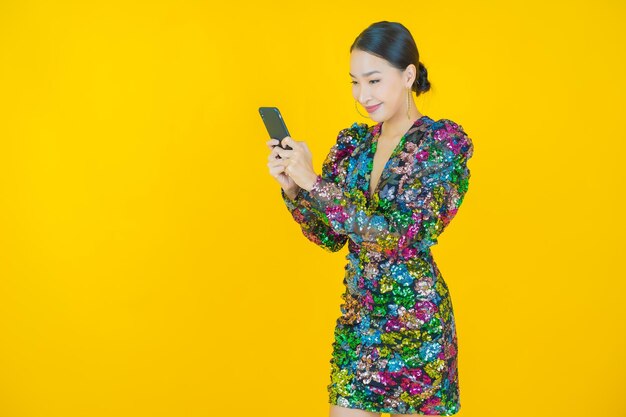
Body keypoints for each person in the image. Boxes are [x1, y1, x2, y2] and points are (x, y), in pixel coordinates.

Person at [265, 21, 473, 417]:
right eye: (355, 82)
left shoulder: (442, 144)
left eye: (374, 80)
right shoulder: (354, 146)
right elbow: (331, 236)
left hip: (416, 326)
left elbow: (396, 236)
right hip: (360, 323)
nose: (363, 95)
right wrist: (294, 190)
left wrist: (314, 182)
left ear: (408, 75)